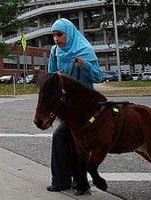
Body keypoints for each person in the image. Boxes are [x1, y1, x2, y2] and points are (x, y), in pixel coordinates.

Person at [46, 18, 103, 194]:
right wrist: (55, 76)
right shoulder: (55, 51)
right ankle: (62, 180)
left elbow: (98, 77)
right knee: (61, 137)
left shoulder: (84, 50)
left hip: (86, 107)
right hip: (68, 107)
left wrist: (84, 66)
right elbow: (50, 77)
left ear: (69, 34)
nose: (56, 39)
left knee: (73, 139)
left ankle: (80, 182)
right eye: (54, 35)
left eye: (60, 34)